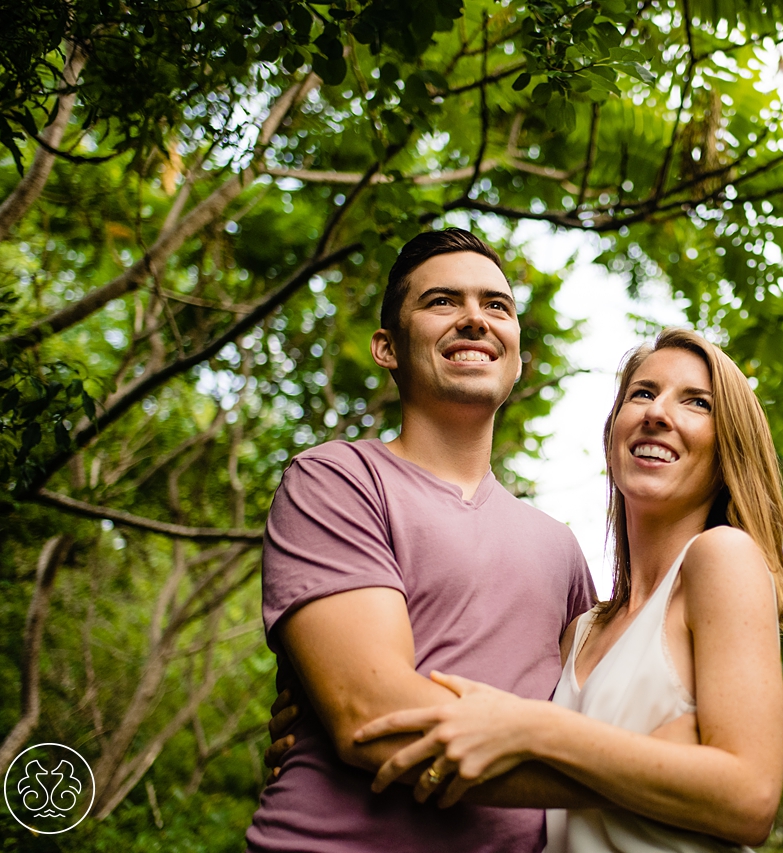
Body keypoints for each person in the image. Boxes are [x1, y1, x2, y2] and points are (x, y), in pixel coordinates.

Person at [346, 328, 783, 851]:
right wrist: (318, 715)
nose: (657, 413)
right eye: (642, 393)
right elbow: (480, 720)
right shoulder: (578, 630)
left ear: (728, 447)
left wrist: (537, 729)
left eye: (697, 403)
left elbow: (749, 800)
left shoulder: (721, 558)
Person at [246, 228, 602, 853]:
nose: (474, 319)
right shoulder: (336, 479)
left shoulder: (562, 550)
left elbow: (596, 715)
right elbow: (374, 719)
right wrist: (647, 779)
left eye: (497, 305)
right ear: (387, 347)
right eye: (442, 302)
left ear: (517, 353)